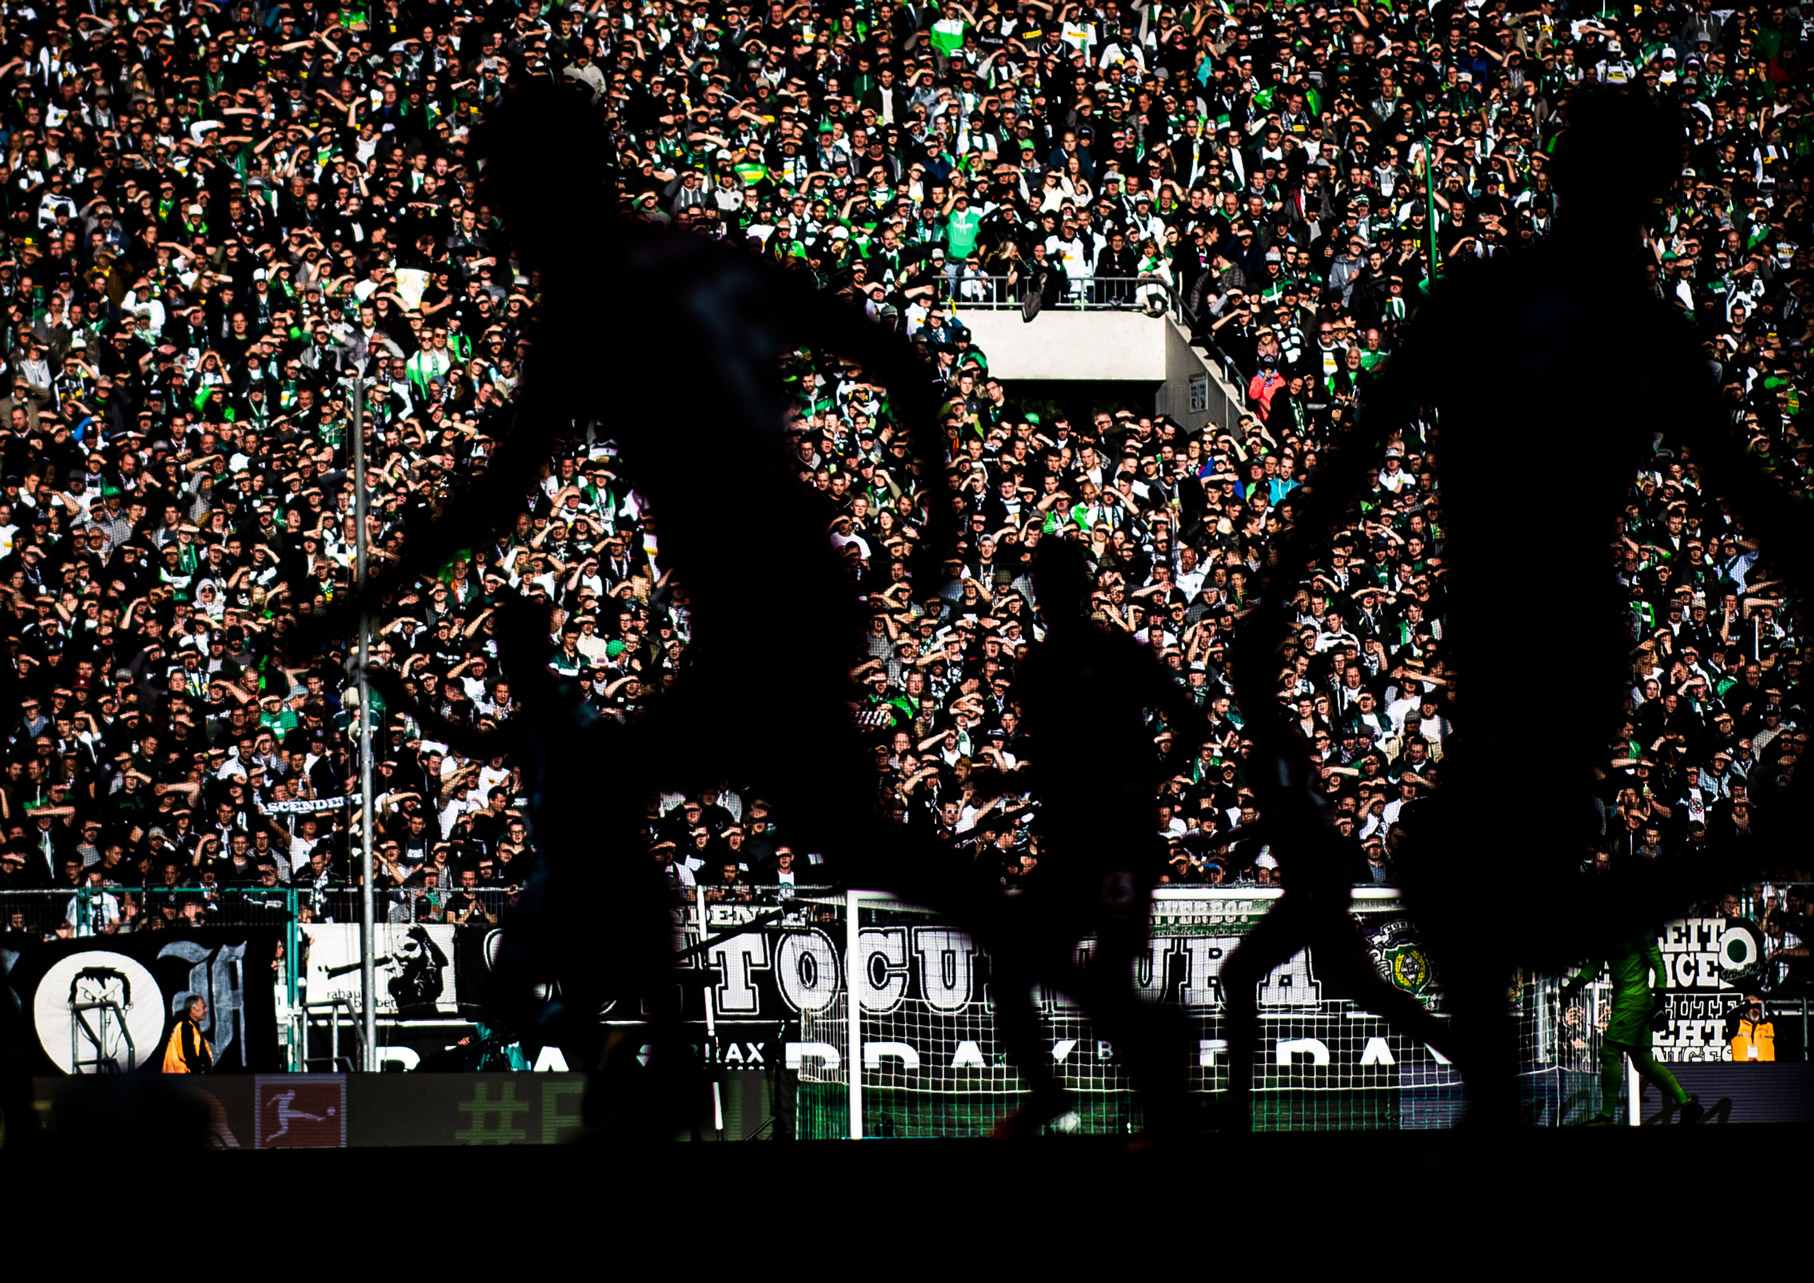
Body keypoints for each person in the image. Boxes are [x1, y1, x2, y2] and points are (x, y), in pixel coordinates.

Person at [1565, 930, 1702, 1125]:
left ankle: (1606, 1117)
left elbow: (1659, 966)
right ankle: (1686, 1103)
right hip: (1627, 1001)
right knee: (1643, 1062)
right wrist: (1574, 985)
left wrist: (1660, 1003)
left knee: (1609, 1053)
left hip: (1633, 1001)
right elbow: (1596, 962)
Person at [161, 997, 213, 1075]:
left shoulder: (192, 1027)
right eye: (204, 1007)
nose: (206, 1010)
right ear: (193, 1010)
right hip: (181, 1077)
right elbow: (188, 1054)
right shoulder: (185, 1027)